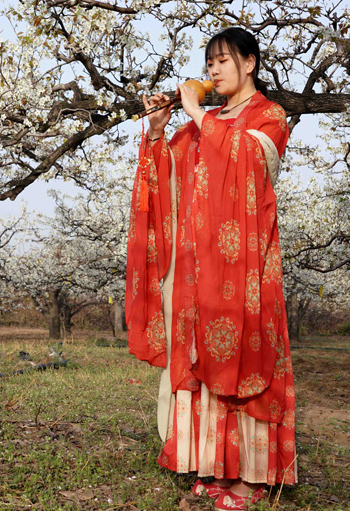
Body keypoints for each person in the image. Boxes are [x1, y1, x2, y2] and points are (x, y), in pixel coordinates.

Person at [125, 28, 296, 510]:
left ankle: (252, 477)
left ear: (250, 62)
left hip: (245, 265)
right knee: (203, 357)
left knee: (245, 357)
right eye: (210, 63)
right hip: (198, 268)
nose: (214, 71)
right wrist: (157, 130)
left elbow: (251, 161)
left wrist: (197, 114)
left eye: (223, 60)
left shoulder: (269, 116)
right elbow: (168, 177)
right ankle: (215, 466)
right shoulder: (203, 123)